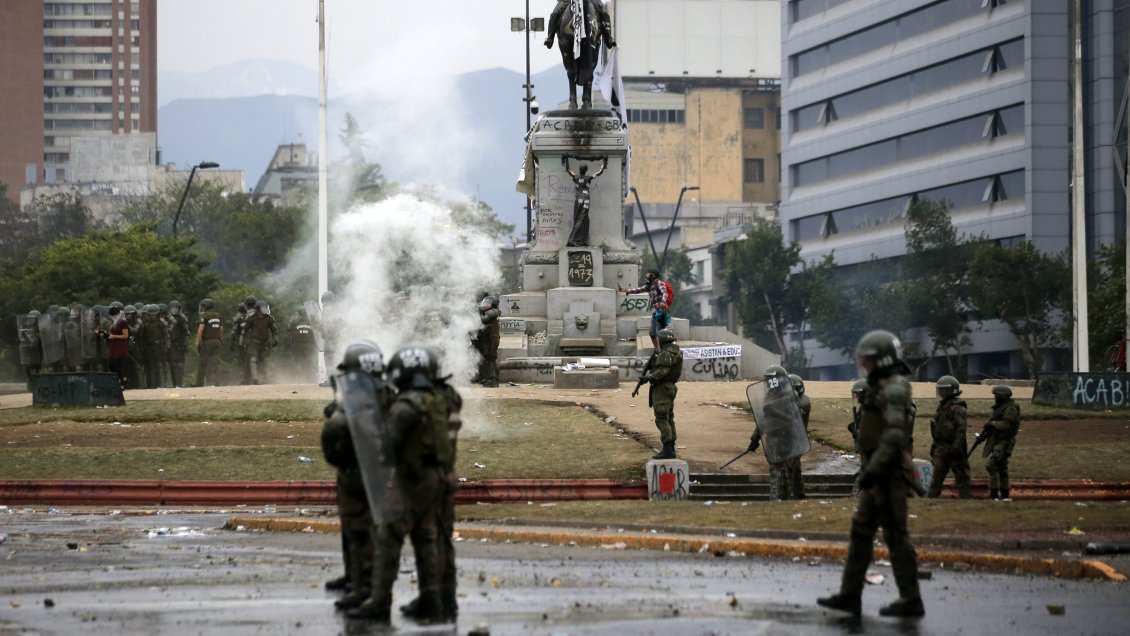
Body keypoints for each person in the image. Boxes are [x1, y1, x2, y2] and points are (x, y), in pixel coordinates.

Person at [818, 330, 924, 619]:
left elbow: (893, 436)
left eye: (866, 359)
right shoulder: (880, 385)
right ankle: (850, 595)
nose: (861, 363)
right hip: (878, 473)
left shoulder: (893, 389)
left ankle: (911, 599)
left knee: (895, 535)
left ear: (880, 359)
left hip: (887, 474)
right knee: (861, 531)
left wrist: (872, 471)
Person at [349, 346, 450, 624]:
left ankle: (379, 601)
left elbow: (388, 445)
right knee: (425, 536)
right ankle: (431, 600)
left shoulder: (406, 406)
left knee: (388, 536)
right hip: (434, 478)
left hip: (411, 480)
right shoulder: (434, 399)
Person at [322, 341, 397, 611]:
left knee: (363, 531)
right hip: (354, 469)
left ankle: (365, 587)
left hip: (368, 471)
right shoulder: (374, 393)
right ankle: (353, 578)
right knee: (351, 528)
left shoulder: (380, 397)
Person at [402, 372, 463, 623]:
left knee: (426, 537)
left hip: (426, 479)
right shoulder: (450, 399)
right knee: (443, 537)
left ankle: (430, 598)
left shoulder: (419, 405)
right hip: (447, 476)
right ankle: (447, 597)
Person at [748, 364, 794, 500]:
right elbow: (764, 420)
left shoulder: (789, 397)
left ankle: (776, 499)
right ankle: (784, 498)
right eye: (767, 380)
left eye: (770, 379)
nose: (768, 383)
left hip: (785, 438)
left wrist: (774, 411)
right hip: (773, 438)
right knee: (780, 469)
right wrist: (755, 438)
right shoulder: (770, 396)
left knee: (779, 470)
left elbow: (792, 419)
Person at [641, 328, 682, 459]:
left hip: (662, 388)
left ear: (663, 340)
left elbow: (662, 371)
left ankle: (668, 449)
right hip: (669, 387)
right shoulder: (675, 352)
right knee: (668, 417)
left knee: (661, 419)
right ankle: (671, 447)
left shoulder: (666, 353)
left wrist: (649, 377)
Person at [927, 375, 971, 498]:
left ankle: (965, 500)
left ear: (951, 390)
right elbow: (938, 430)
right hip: (941, 447)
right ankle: (930, 499)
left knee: (962, 477)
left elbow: (961, 430)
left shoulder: (958, 408)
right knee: (936, 477)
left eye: (944, 389)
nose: (940, 392)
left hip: (954, 448)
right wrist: (934, 446)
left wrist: (956, 447)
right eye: (939, 389)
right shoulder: (941, 407)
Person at [981, 384, 1020, 500]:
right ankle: (1004, 493)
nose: (995, 397)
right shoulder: (1001, 407)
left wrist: (992, 424)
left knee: (991, 465)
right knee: (1002, 468)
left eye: (996, 395)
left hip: (1004, 442)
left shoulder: (1010, 408)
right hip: (998, 441)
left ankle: (994, 493)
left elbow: (1006, 424)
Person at [618, 269, 671, 350]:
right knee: (652, 333)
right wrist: (626, 290)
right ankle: (657, 350)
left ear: (653, 277)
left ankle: (664, 350)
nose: (646, 277)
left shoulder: (659, 283)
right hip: (656, 312)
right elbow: (638, 290)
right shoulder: (649, 286)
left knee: (659, 332)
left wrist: (663, 301)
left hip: (662, 311)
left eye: (648, 276)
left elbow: (665, 293)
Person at [562, 155, 608, 246]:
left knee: (583, 220)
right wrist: (604, 162)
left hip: (578, 200)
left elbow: (568, 169)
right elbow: (599, 172)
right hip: (585, 201)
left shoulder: (576, 177)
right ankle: (573, 240)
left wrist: (566, 159)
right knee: (581, 220)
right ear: (586, 170)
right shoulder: (588, 178)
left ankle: (582, 240)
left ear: (579, 170)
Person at [787, 374, 812, 499]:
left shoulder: (804, 401)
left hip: (798, 439)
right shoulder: (789, 400)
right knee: (794, 467)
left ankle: (793, 492)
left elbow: (799, 413)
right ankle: (799, 493)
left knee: (792, 466)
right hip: (788, 439)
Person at [242, 300, 277, 385]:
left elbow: (274, 331)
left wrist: (275, 339)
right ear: (258, 309)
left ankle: (265, 378)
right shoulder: (252, 319)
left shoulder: (269, 319)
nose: (265, 310)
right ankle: (255, 379)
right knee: (253, 359)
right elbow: (244, 331)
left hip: (264, 343)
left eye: (266, 308)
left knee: (263, 361)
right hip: (253, 343)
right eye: (263, 308)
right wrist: (243, 342)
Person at [193, 298, 224, 387]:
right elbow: (221, 330)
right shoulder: (217, 316)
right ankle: (219, 382)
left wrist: (198, 341)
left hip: (207, 343)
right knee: (216, 363)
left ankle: (199, 383)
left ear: (205, 307)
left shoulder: (204, 316)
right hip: (217, 342)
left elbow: (201, 329)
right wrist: (220, 340)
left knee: (203, 364)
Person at [474, 295, 501, 387]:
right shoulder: (488, 312)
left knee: (491, 358)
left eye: (487, 303)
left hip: (492, 338)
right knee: (487, 358)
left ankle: (494, 380)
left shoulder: (493, 312)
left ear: (493, 304)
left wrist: (477, 312)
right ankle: (488, 378)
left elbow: (483, 320)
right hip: (488, 338)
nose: (484, 304)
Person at [286, 307, 319, 384]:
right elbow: (318, 331)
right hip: (309, 346)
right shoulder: (312, 322)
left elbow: (289, 331)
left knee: (298, 362)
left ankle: (298, 379)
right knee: (309, 362)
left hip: (297, 345)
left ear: (299, 313)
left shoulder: (294, 321)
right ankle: (309, 379)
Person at [846, 378, 866, 495]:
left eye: (859, 393)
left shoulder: (868, 409)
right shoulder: (863, 408)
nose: (857, 396)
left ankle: (854, 493)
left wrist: (855, 431)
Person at [140, 304, 167, 389]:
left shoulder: (161, 323)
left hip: (158, 347)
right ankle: (150, 384)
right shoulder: (145, 325)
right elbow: (142, 338)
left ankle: (159, 384)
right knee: (150, 367)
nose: (151, 316)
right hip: (148, 348)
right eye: (150, 314)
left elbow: (166, 336)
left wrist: (165, 346)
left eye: (153, 314)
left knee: (158, 366)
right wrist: (143, 348)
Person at [166, 300, 191, 387]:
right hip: (171, 344)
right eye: (172, 308)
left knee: (180, 364)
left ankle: (179, 384)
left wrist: (184, 344)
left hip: (180, 344)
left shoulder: (182, 319)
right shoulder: (167, 319)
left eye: (176, 308)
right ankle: (174, 384)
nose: (174, 310)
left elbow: (187, 332)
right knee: (172, 365)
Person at [105, 306, 131, 388]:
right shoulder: (113, 323)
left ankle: (122, 382)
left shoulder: (123, 322)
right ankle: (121, 380)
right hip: (114, 345)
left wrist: (114, 336)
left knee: (117, 365)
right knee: (111, 365)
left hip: (121, 346)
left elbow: (125, 336)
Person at [18, 310, 43, 390]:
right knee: (29, 371)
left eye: (32, 319)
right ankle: (31, 389)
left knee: (35, 371)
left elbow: (35, 342)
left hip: (38, 355)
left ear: (37, 319)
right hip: (31, 355)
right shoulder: (29, 329)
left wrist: (26, 336)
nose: (30, 320)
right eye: (29, 319)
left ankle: (36, 389)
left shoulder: (40, 329)